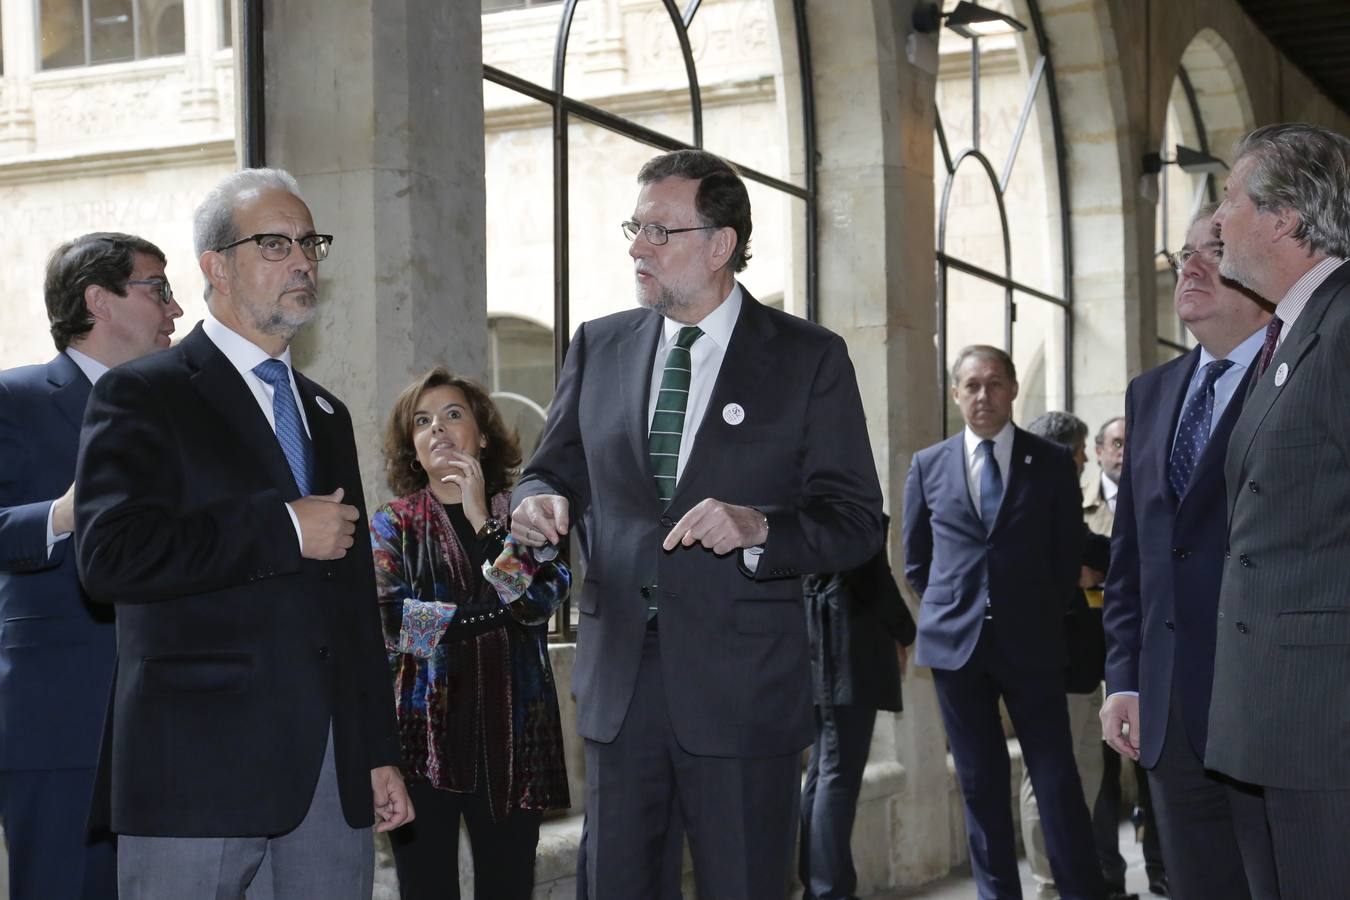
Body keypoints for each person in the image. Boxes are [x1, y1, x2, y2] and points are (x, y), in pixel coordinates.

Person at [510, 148, 883, 898]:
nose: (636, 247)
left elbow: (855, 522)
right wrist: (539, 497)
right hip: (619, 682)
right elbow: (555, 465)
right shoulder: (601, 343)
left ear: (721, 245)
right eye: (634, 227)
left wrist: (759, 527)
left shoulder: (808, 359)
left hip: (742, 690)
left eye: (659, 231)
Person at [73, 168, 413, 899]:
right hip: (197, 764)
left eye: (309, 243)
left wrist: (375, 748)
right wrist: (281, 528)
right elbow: (109, 557)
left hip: (328, 768)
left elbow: (351, 601)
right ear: (215, 268)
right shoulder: (143, 392)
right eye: (275, 244)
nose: (302, 262)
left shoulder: (326, 413)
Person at [1100, 204, 1278, 900]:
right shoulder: (1152, 393)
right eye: (1182, 254)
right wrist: (1126, 678)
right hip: (1168, 716)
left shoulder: (1298, 377)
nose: (1191, 267)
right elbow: (1133, 558)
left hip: (1267, 707)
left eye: (1216, 248)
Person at [0, 232, 182, 900]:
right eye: (159, 288)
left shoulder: (179, 411)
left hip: (179, 711)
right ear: (99, 300)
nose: (176, 309)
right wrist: (65, 512)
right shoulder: (14, 398)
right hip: (62, 717)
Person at [1204, 123, 1350, 897]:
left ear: (1284, 217)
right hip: (1275, 722)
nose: (1218, 220)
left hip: (1326, 725)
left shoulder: (1345, 326)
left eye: (1230, 199)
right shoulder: (1293, 335)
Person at [903, 345, 1104, 900]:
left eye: (994, 383)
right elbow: (917, 560)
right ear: (956, 393)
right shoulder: (929, 464)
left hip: (1033, 644)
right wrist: (958, 608)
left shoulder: (1051, 462)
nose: (983, 396)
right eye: (971, 385)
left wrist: (1036, 607)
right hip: (957, 650)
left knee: (1057, 780)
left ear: (1013, 389)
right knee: (980, 784)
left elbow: (1067, 554)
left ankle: (1081, 891)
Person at [370, 367, 569, 899]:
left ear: (481, 434)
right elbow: (396, 624)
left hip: (516, 742)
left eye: (452, 414)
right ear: (413, 448)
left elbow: (537, 602)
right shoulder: (394, 523)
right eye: (422, 421)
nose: (437, 428)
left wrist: (485, 525)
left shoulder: (524, 515)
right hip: (423, 743)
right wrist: (494, 611)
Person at [799, 514, 916, 900]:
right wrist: (904, 629)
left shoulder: (804, 485)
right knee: (836, 775)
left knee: (823, 773)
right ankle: (829, 889)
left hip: (820, 647)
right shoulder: (844, 493)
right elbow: (871, 575)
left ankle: (823, 883)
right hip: (844, 651)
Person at [1016, 411, 1108, 900]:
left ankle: (1073, 874)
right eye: (1080, 451)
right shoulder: (1031, 487)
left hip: (1083, 664)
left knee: (1085, 770)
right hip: (1048, 661)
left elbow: (1086, 553)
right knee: (1047, 775)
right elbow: (1077, 549)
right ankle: (1050, 885)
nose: (1085, 459)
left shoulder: (1053, 486)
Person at [1085, 415, 1167, 900]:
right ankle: (1108, 876)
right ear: (1098, 451)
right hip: (1090, 661)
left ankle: (1160, 867)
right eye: (1115, 443)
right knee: (1101, 777)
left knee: (1152, 771)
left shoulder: (1158, 502)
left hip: (1148, 656)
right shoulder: (1077, 509)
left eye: (1130, 442)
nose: (1123, 450)